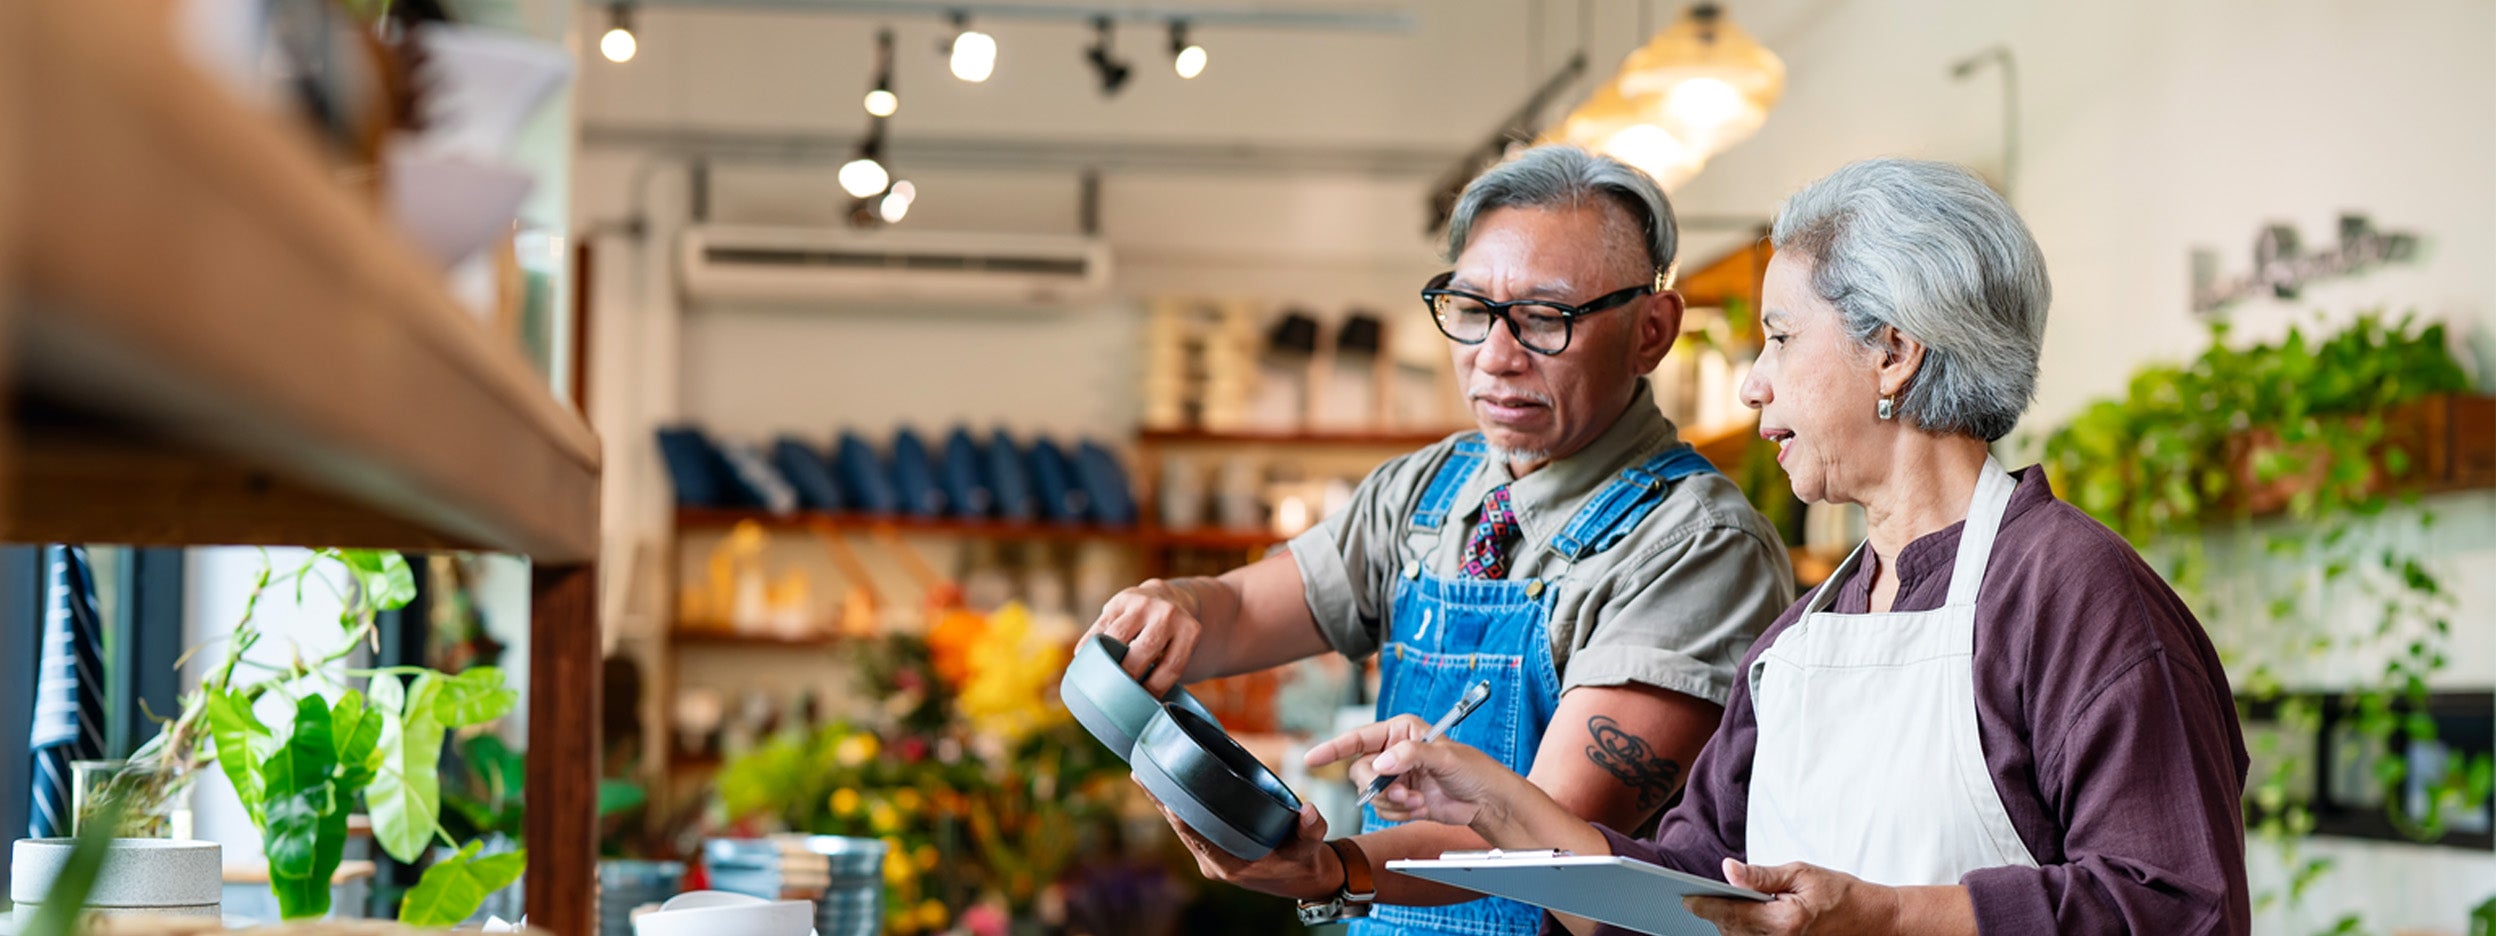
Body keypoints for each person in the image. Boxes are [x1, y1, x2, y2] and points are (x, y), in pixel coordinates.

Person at [1310, 157, 2252, 936]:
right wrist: (1490, 799)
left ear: (1893, 351)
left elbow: (2181, 907)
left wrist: (1889, 916)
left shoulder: (2078, 596)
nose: (1755, 386)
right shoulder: (1805, 636)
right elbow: (1688, 883)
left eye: (1780, 338)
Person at [1088, 144, 1795, 935]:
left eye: (1544, 318)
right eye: (1470, 309)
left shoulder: (1695, 545)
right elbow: (1241, 612)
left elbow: (1538, 836)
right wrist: (1176, 607)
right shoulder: (1427, 491)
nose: (1495, 357)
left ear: (1651, 332)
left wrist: (1338, 869)